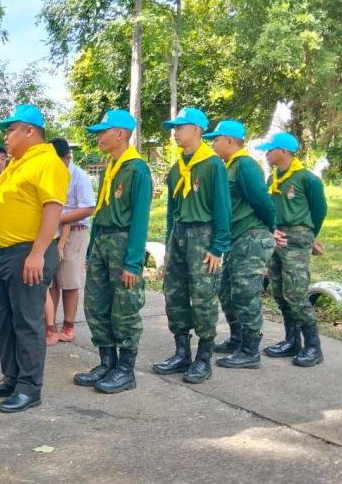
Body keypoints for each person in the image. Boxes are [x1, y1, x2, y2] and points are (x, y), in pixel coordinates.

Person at [0, 104, 70, 414]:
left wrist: (37, 253)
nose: (6, 136)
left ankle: (29, 387)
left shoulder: (47, 162)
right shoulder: (16, 164)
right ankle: (12, 377)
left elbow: (53, 208)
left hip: (27, 253)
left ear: (30, 130)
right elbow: (5, 208)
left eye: (10, 130)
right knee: (1, 319)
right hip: (3, 253)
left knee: (27, 321)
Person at [73, 110, 151, 394]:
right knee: (96, 304)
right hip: (103, 241)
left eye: (103, 132)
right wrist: (91, 250)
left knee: (125, 307)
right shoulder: (111, 166)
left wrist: (133, 262)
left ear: (120, 133)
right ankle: (107, 362)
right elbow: (101, 210)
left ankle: (126, 370)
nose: (99, 137)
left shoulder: (137, 169)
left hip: (122, 242)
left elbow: (140, 218)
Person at [153, 107, 231, 384]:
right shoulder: (177, 169)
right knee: (174, 293)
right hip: (179, 234)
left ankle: (203, 358)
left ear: (196, 129)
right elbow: (172, 210)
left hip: (203, 235)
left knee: (203, 296)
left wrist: (218, 247)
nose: (175, 133)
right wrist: (168, 244)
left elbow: (222, 207)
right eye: (174, 128)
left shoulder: (212, 165)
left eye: (180, 127)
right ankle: (181, 352)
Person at [203, 121, 276, 369]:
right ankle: (237, 338)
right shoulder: (230, 166)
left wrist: (273, 228)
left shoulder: (245, 165)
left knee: (246, 293)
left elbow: (262, 201)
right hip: (236, 239)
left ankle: (250, 350)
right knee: (226, 290)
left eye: (216, 139)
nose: (213, 144)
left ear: (229, 141)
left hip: (251, 236)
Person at [259, 132, 327, 367]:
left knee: (296, 292)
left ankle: (313, 347)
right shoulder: (273, 179)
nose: (266, 154)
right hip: (276, 236)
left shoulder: (307, 179)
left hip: (297, 238)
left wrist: (309, 235)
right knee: (279, 291)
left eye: (270, 150)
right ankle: (292, 340)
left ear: (283, 151)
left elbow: (319, 210)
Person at [45, 138, 96, 345]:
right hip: (52, 230)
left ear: (67, 157)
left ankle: (68, 324)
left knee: (69, 280)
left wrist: (57, 217)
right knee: (51, 279)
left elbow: (88, 208)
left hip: (75, 231)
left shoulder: (79, 177)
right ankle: (50, 325)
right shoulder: (50, 174)